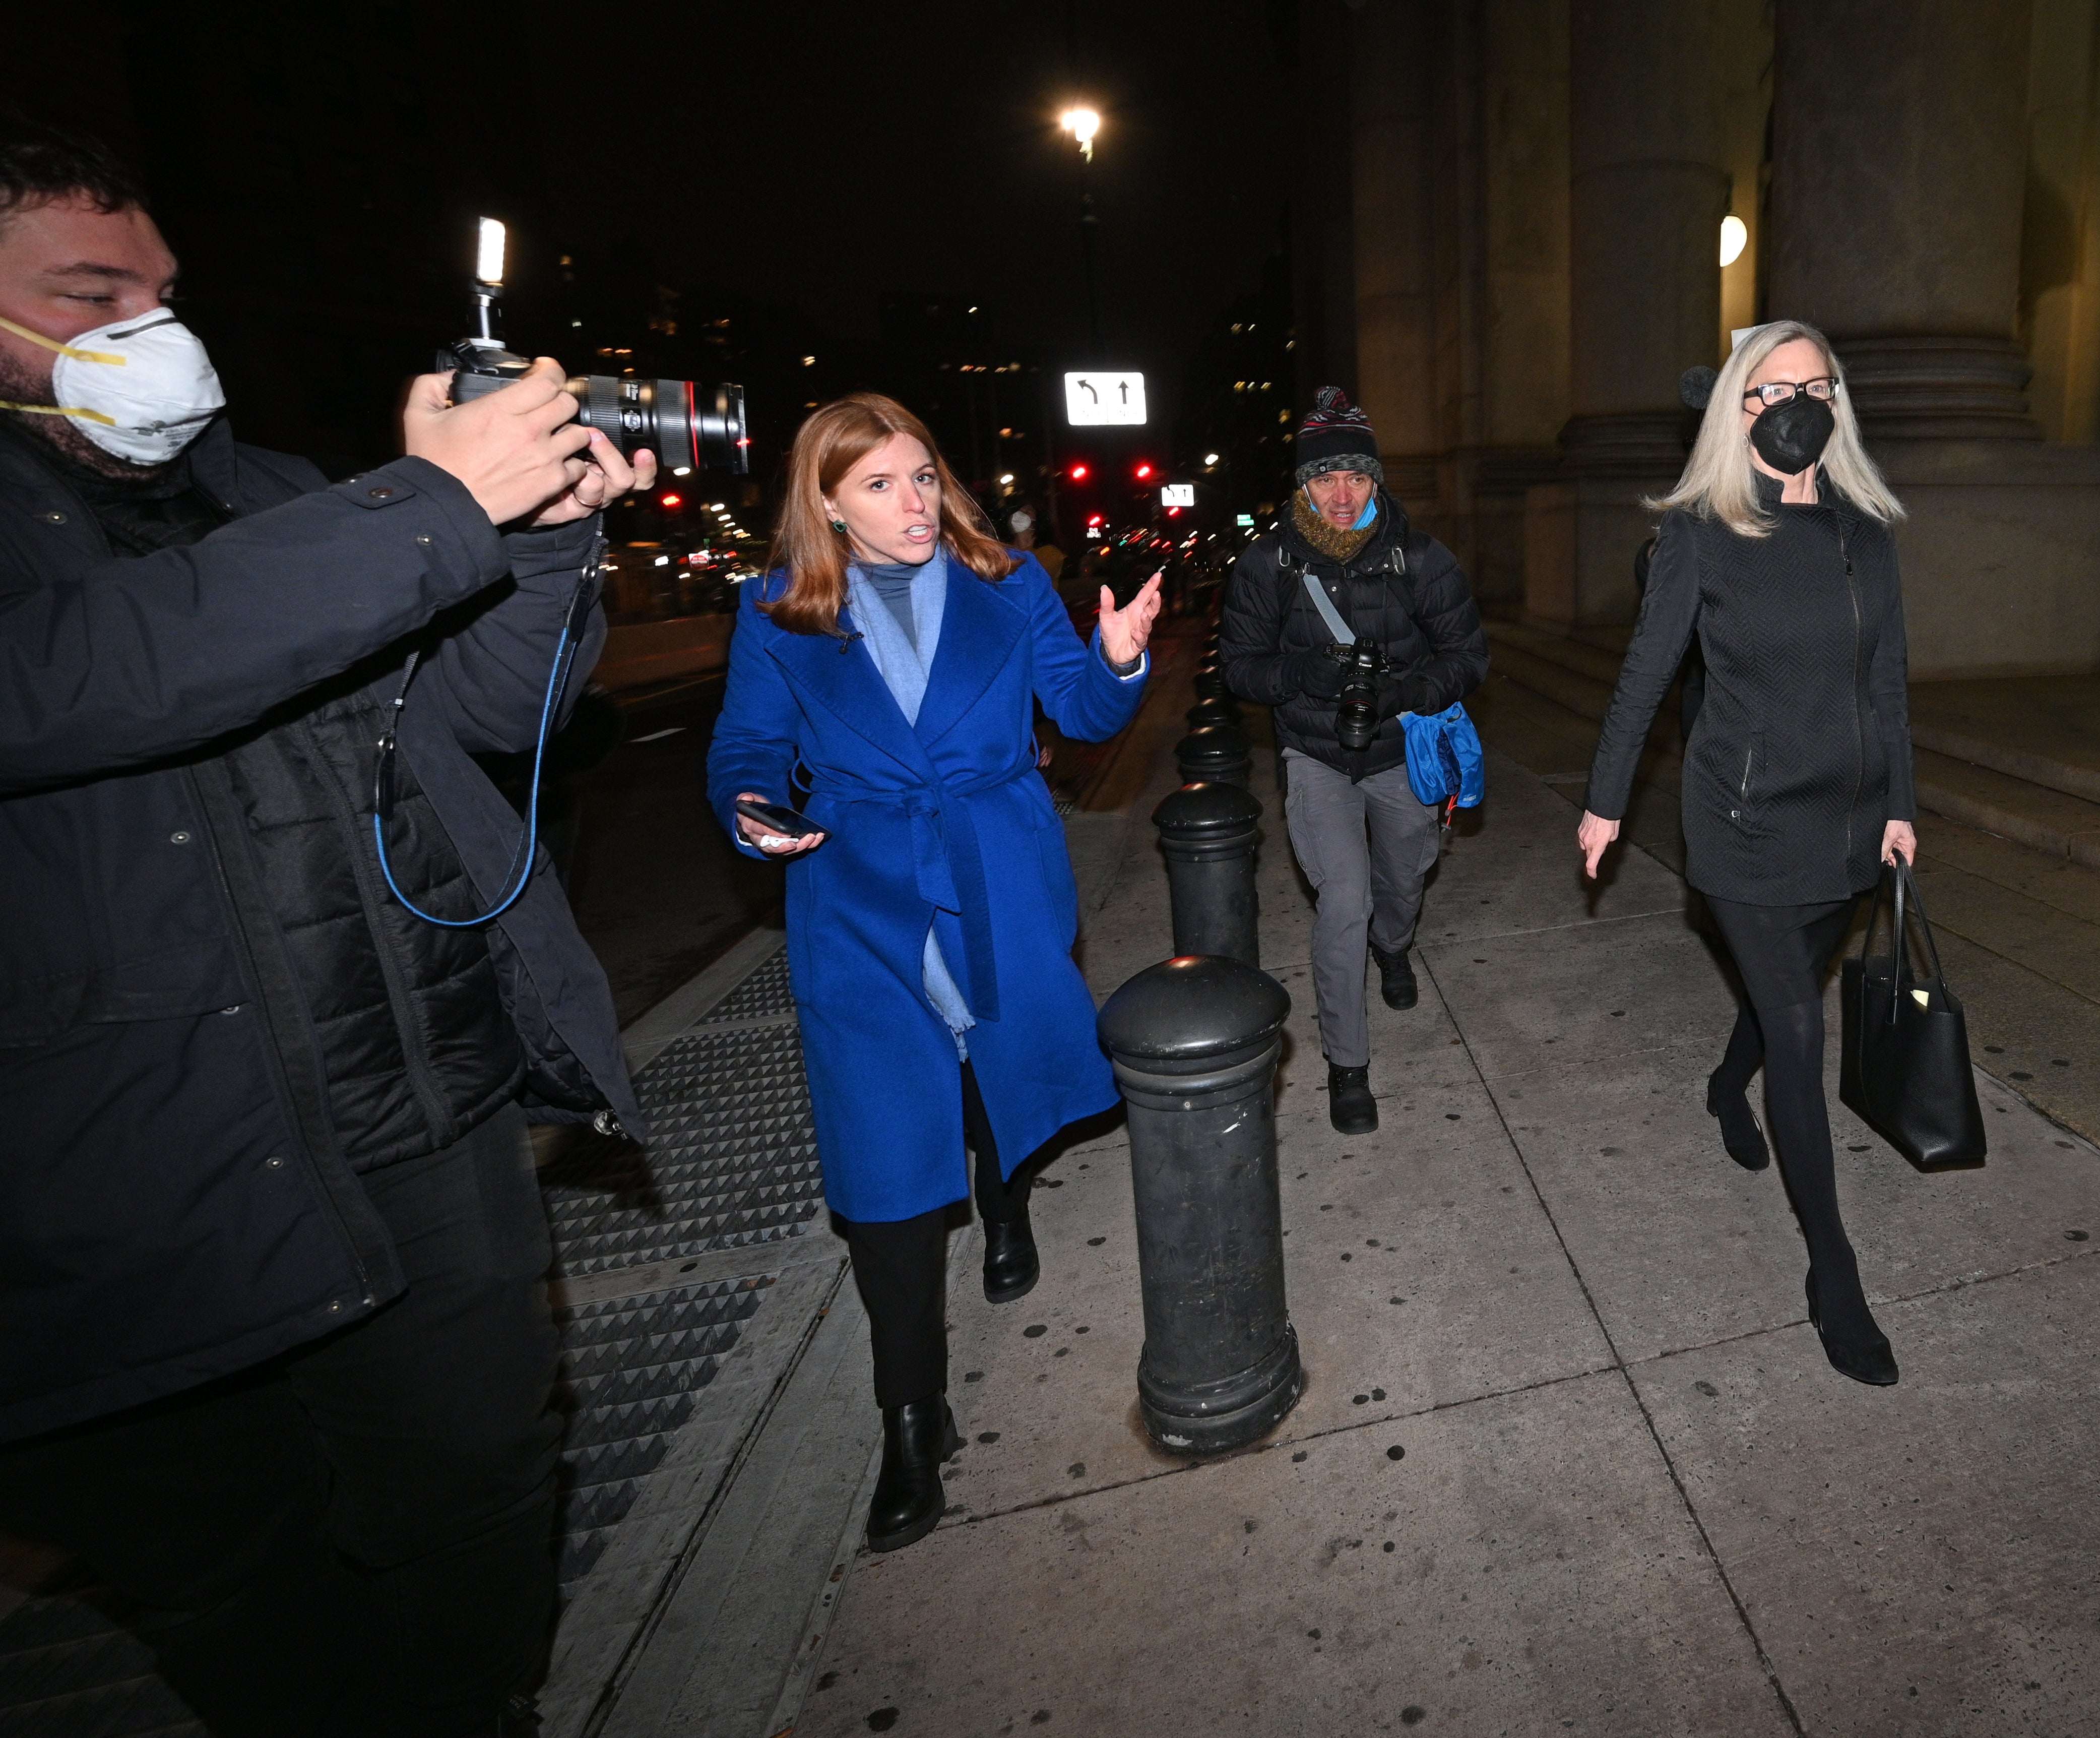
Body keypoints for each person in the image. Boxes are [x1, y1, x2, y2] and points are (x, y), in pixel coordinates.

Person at [0, 120, 652, 1735]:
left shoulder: (280, 498)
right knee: (245, 1575)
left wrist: (548, 535)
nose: (150, 331)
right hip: (127, 1189)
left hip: (407, 1114)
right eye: (91, 296)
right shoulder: (348, 520)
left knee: (487, 1483)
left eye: (162, 290)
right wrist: (430, 503)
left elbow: (492, 710)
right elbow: (89, 672)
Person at [706, 393, 1158, 1552]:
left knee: (989, 1068)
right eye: (878, 485)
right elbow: (748, 749)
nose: (911, 503)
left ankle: (1004, 1203)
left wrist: (1118, 658)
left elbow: (1080, 707)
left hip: (994, 871)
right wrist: (752, 812)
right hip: (856, 900)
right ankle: (912, 1418)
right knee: (883, 1161)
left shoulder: (1005, 581)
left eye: (920, 475)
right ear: (825, 502)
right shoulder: (773, 612)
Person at [1576, 319, 1917, 1388]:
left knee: (1782, 1002)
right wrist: (1603, 805)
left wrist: (1899, 805)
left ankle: (1727, 1086)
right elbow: (1644, 678)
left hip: (1848, 820)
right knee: (1800, 1029)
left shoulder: (1866, 531)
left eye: (1815, 385)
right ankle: (1834, 1274)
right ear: (1737, 409)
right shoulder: (1698, 531)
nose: (1798, 404)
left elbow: (1886, 685)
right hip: (1743, 820)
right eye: (1771, 390)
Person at [1219, 387, 1489, 1134]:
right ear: (1303, 484)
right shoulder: (1268, 563)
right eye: (1326, 478)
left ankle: (1395, 948)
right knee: (1345, 902)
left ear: (1377, 480)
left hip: (1400, 747)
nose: (1342, 495)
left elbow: (1469, 655)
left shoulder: (1421, 559)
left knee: (1403, 879)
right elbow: (1238, 665)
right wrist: (1297, 676)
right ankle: (1348, 1065)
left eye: (1358, 477)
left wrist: (1411, 687)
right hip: (1315, 755)